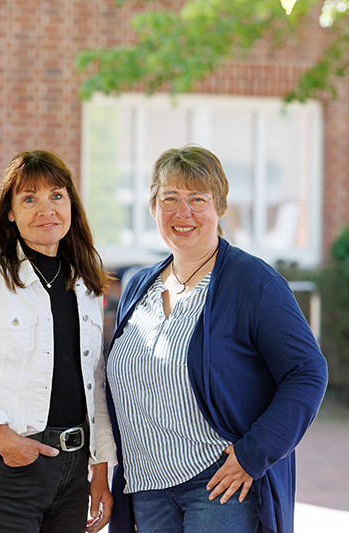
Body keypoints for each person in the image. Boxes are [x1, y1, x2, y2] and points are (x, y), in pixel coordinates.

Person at [105, 145, 328, 533]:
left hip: (218, 484)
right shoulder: (137, 285)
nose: (182, 212)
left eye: (197, 199)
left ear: (220, 207)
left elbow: (307, 371)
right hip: (146, 485)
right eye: (170, 198)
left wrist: (253, 454)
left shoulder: (253, 282)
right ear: (154, 207)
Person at [0, 150, 118, 533]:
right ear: (11, 213)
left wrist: (100, 466)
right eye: (29, 199)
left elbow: (94, 380)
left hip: (73, 472)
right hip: (12, 469)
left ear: (71, 205)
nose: (46, 209)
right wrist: (2, 439)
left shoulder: (85, 284)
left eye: (57, 196)